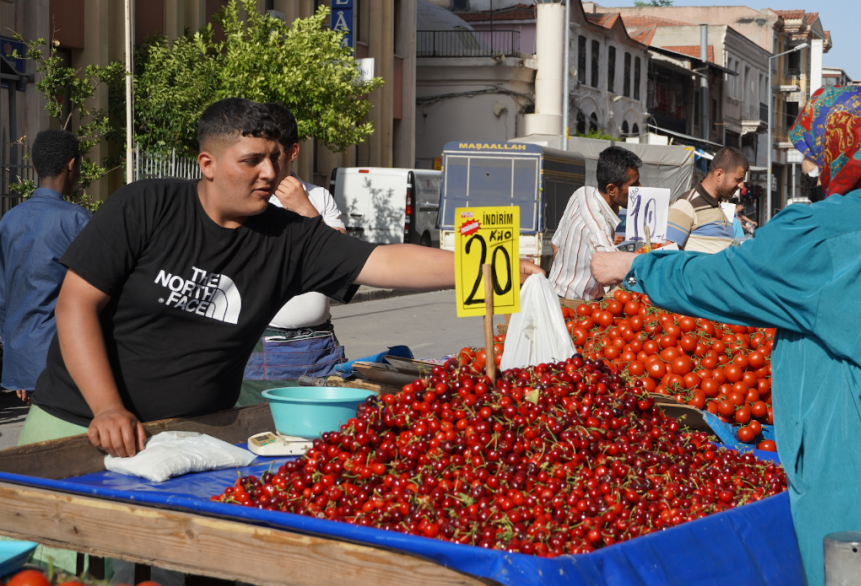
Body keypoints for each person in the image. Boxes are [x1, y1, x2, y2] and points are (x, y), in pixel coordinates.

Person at [591, 86, 861, 586]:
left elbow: (726, 279)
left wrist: (636, 266)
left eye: (818, 157)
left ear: (844, 151)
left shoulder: (820, 232)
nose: (816, 174)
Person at [24, 98, 542, 459]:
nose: (268, 174)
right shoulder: (145, 205)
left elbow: (384, 260)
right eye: (251, 161)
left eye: (275, 159)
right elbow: (75, 305)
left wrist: (490, 266)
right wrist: (108, 407)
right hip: (77, 419)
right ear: (207, 163)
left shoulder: (292, 237)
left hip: (190, 433)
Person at [236, 102, 348, 406]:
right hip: (262, 349)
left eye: (275, 156)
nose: (266, 168)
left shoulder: (317, 197)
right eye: (257, 156)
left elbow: (342, 265)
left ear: (293, 151)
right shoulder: (243, 200)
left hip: (320, 347)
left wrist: (305, 210)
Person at [0, 129, 90, 407]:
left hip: (22, 355)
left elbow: (5, 295)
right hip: (63, 356)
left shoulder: (9, 220)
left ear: (36, 167)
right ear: (72, 164)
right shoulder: (77, 220)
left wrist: (19, 363)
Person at [548, 146, 641, 300]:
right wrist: (644, 284)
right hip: (575, 306)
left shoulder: (582, 193)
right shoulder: (598, 229)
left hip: (555, 294)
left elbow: (555, 244)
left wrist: (566, 275)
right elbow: (616, 273)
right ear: (612, 189)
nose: (640, 188)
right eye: (633, 185)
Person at [666, 147, 748, 253]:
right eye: (738, 179)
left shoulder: (717, 205)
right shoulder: (686, 205)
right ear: (719, 174)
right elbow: (666, 258)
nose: (741, 185)